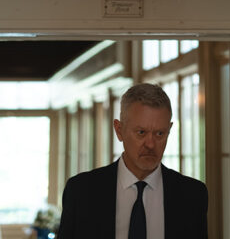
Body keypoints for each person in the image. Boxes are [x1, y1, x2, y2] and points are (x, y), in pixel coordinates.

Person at [57, 83, 208, 239]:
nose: (150, 144)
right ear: (119, 130)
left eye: (159, 134)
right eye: (141, 132)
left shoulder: (193, 195)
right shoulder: (81, 191)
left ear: (169, 131)